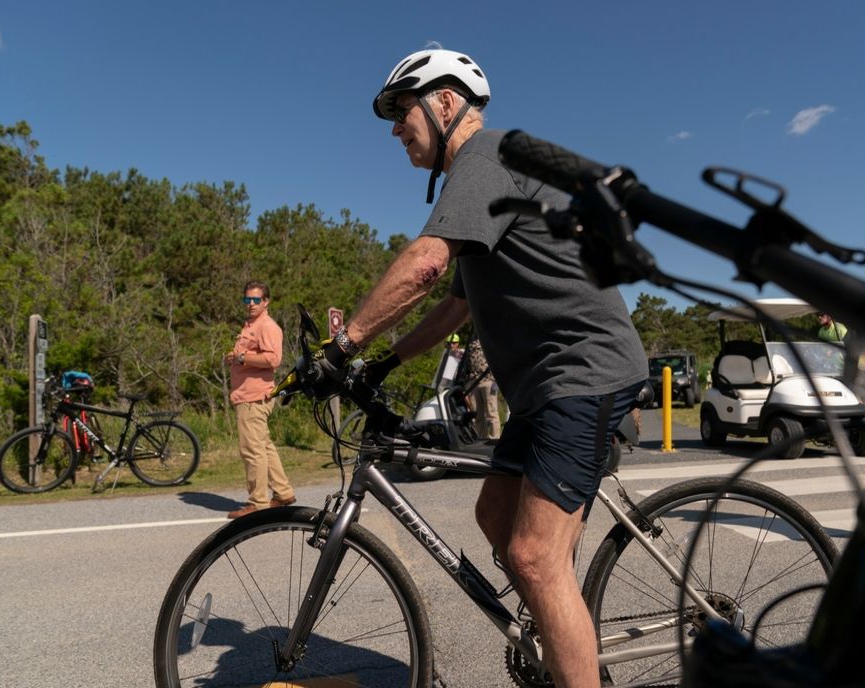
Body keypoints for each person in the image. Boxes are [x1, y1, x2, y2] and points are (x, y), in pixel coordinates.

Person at [319, 48, 648, 687]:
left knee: (533, 558)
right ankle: (564, 635)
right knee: (496, 518)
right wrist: (384, 361)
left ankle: (571, 653)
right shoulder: (479, 182)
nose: (393, 128)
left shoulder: (485, 158)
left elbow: (424, 265)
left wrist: (343, 346)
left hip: (583, 373)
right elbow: (453, 307)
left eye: (400, 109)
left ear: (447, 102)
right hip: (547, 388)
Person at [225, 281, 295, 518]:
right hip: (249, 394)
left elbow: (273, 359)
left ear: (266, 302)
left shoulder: (267, 326)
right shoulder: (251, 325)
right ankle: (283, 493)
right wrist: (236, 358)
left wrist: (242, 357)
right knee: (263, 446)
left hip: (253, 397)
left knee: (252, 450)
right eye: (248, 300)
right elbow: (250, 356)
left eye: (256, 300)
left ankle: (257, 503)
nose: (251, 304)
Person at [465, 337, 500, 440]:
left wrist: (496, 382)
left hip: (489, 380)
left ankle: (495, 439)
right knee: (477, 414)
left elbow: (498, 358)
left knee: (492, 412)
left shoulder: (490, 338)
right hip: (474, 381)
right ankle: (481, 439)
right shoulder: (470, 342)